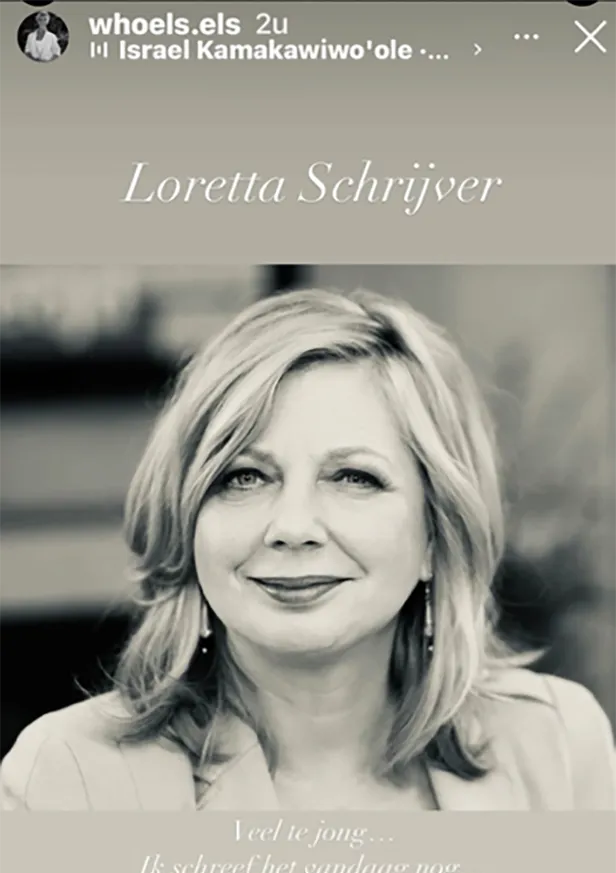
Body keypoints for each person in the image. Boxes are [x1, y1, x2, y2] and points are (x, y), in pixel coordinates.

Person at [1, 288, 615, 811]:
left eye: (353, 477)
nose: (292, 526)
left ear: (436, 532)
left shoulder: (558, 746)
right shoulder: (71, 781)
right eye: (244, 477)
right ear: (188, 523)